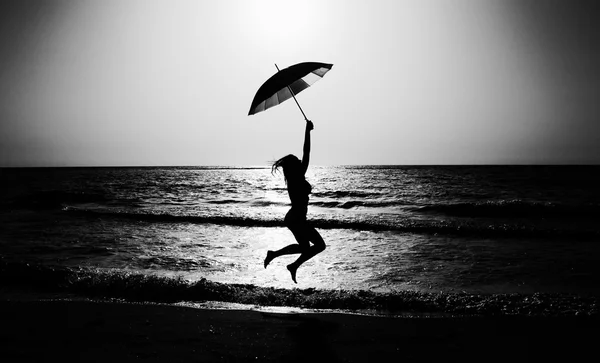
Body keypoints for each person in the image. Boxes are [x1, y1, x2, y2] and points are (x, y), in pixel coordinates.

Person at [263, 120, 326, 283]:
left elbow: (305, 153)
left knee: (305, 248)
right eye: (297, 160)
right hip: (296, 218)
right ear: (294, 166)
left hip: (294, 218)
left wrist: (307, 130)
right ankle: (293, 265)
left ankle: (275, 255)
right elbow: (307, 152)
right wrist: (307, 130)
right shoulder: (296, 179)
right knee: (320, 245)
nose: (300, 161)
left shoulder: (295, 178)